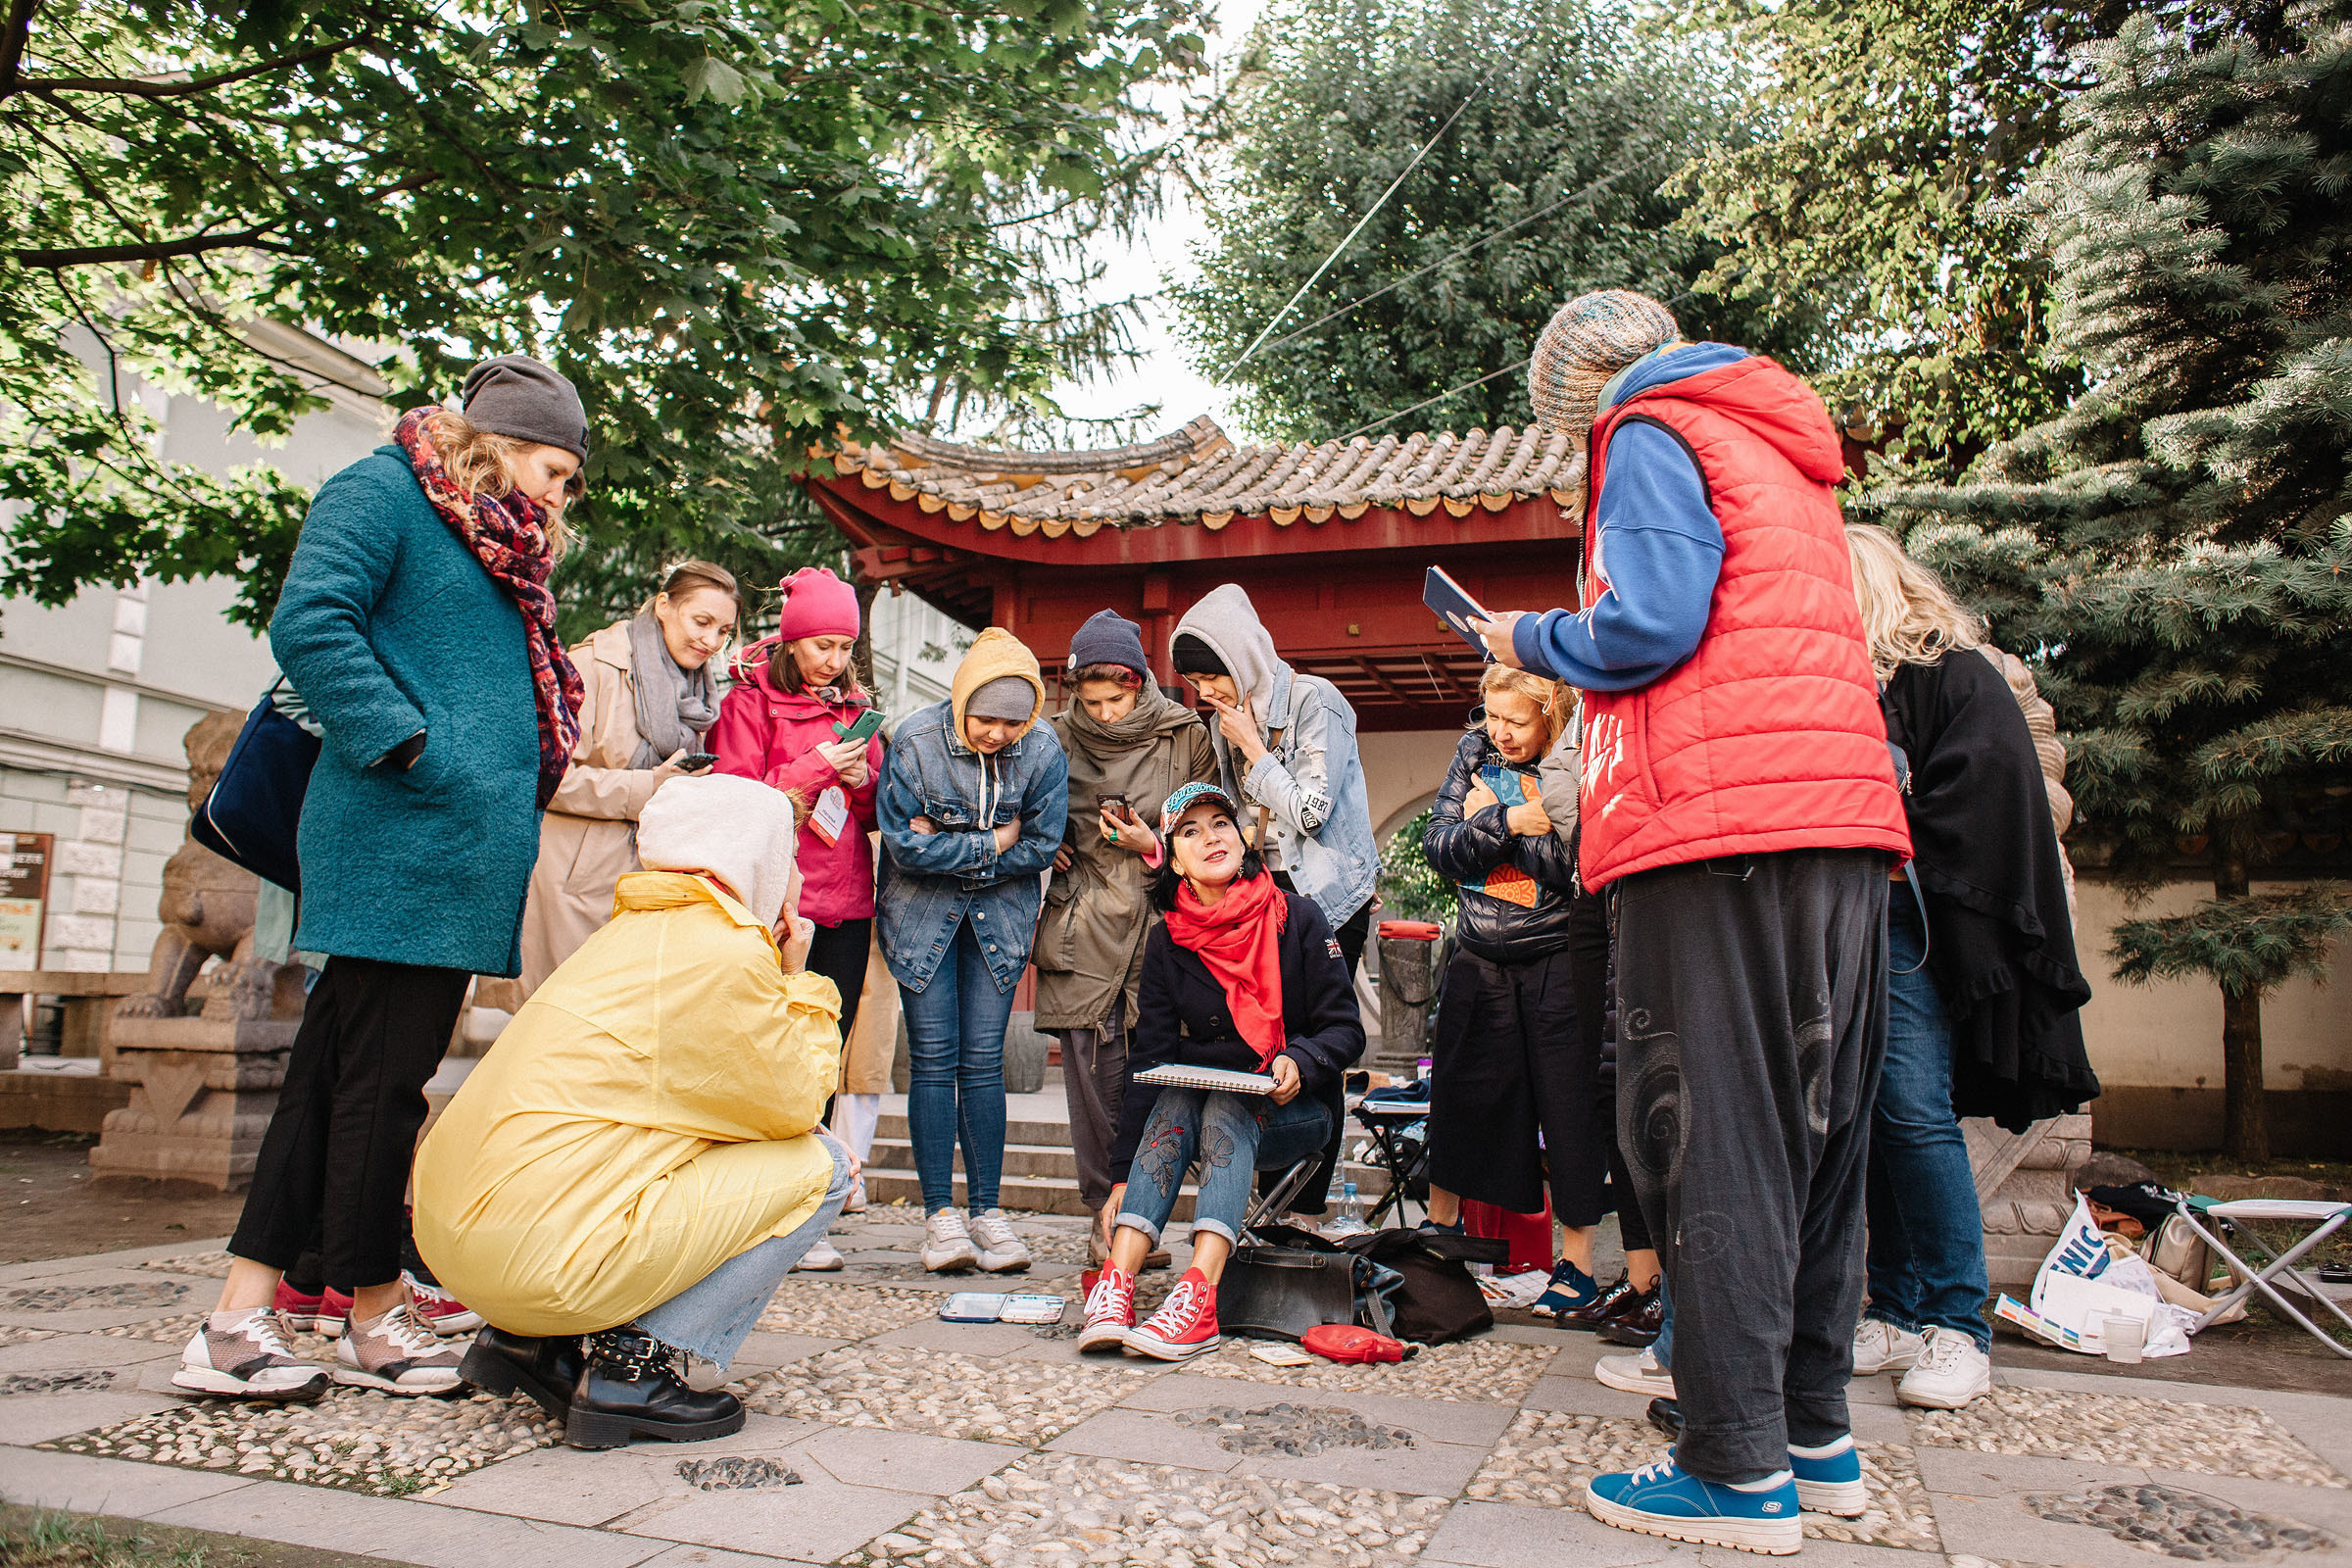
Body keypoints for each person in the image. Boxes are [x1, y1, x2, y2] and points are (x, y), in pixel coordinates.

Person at [1475, 291, 1911, 1553]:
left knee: (1710, 1136)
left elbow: (1648, 627)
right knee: (1816, 1135)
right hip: (1835, 820)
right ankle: (1812, 1433)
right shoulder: (1775, 445)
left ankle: (1733, 1466)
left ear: (1583, 390)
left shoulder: (1651, 428)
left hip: (1715, 829)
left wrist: (1525, 635)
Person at [176, 356, 590, 1401]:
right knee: (381, 1090)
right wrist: (409, 745)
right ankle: (368, 1317)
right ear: (494, 440)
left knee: (335, 1081)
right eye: (553, 466)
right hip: (397, 833)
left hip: (455, 851)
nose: (560, 493)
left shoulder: (501, 551)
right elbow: (312, 620)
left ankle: (241, 1314)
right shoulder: (387, 492)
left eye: (571, 480)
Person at [414, 773, 854, 1448]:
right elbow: (795, 1102)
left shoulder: (624, 935)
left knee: (674, 1138)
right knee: (823, 1166)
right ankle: (634, 1370)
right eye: (787, 856)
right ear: (755, 857)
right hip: (532, 1257)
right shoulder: (721, 950)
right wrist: (798, 974)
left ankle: (534, 1343)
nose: (792, 876)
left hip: (458, 1245)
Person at [1844, 524, 2097, 1410]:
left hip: (1915, 921)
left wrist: (1889, 787)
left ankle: (1961, 1326)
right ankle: (1897, 1309)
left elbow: (1988, 794)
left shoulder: (1952, 673)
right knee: (1873, 1116)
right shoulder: (1849, 683)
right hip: (1846, 922)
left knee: (1913, 1111)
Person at [1077, 783, 1366, 1360]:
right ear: (1172, 858)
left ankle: (1200, 1296)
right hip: (1199, 1107)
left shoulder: (1297, 917)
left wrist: (1301, 1059)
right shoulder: (1168, 942)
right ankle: (1118, 1281)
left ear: (1242, 838)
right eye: (1190, 831)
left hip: (1295, 1111)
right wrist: (1118, 1176)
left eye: (1220, 824)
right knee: (1182, 1096)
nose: (1211, 838)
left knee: (1226, 1104)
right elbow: (1150, 1064)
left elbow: (1345, 1030)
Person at [1419, 665, 1631, 1323]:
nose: (1501, 733)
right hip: (1479, 955)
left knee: (1569, 1111)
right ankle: (1438, 1242)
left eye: (1517, 720)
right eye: (1492, 717)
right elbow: (1441, 849)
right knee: (1458, 1097)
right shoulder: (1473, 749)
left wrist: (1493, 820)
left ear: (1552, 714)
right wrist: (1520, 818)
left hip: (1558, 958)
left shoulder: (1575, 762)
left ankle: (1576, 1265)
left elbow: (1572, 868)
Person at [876, 629, 1068, 1274]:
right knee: (933, 1060)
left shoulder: (1042, 748)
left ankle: (986, 1210)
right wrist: (991, 845)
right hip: (919, 916)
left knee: (983, 1062)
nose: (997, 735)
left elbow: (1042, 843)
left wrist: (953, 843)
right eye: (986, 719)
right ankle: (939, 1216)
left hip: (1001, 920)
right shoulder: (916, 740)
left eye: (1012, 723)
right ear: (962, 703)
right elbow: (905, 847)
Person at [710, 565, 885, 1249]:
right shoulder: (748, 703)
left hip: (845, 897)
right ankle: (762, 1202)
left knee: (822, 1054)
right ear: (791, 642)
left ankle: (811, 1203)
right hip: (775, 899)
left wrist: (862, 776)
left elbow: (867, 812)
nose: (834, 661)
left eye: (845, 647)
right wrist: (817, 769)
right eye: (822, 646)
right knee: (766, 1051)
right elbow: (737, 794)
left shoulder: (854, 708)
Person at [1036, 611, 1219, 1261]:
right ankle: (1103, 1217)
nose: (1105, 714)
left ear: (1141, 685)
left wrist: (1156, 845)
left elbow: (1214, 829)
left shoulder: (1184, 734)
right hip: (1081, 921)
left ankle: (1140, 1213)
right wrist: (1045, 844)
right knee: (1090, 1083)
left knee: (1153, 1076)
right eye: (1091, 702)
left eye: (1117, 699)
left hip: (1161, 923)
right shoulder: (1052, 736)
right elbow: (1030, 812)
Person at [493, 560, 741, 1004]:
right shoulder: (595, 663)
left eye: (724, 631)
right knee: (559, 1035)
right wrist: (646, 788)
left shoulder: (697, 690)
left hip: (645, 883)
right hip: (574, 882)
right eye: (701, 621)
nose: (711, 641)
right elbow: (543, 773)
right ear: (664, 605)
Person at [1168, 584, 1379, 977]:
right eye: (1196, 682)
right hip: (1261, 891)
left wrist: (1252, 746)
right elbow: (1236, 816)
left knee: (1325, 1029)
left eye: (1213, 676)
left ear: (1243, 659)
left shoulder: (1314, 700)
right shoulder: (1221, 720)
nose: (1207, 692)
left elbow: (1311, 816)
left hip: (1327, 895)